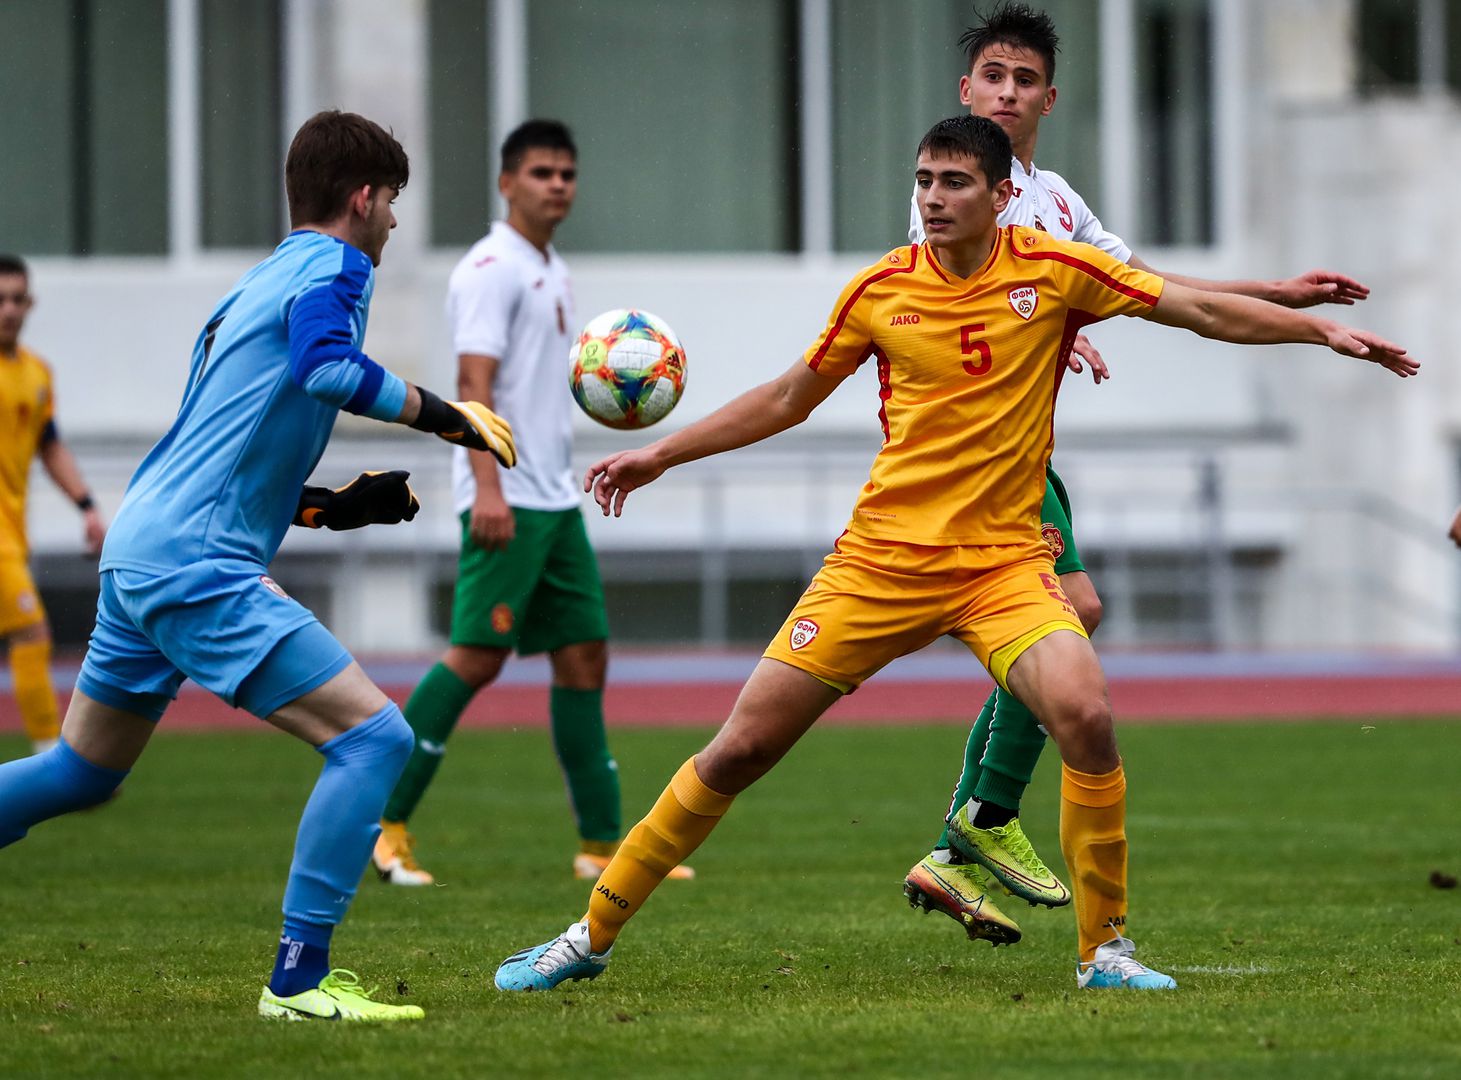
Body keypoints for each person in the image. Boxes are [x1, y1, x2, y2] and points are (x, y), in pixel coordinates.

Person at [493, 114, 1415, 993]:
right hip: (878, 565)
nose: (933, 198)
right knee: (738, 749)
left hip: (1002, 567)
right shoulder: (880, 290)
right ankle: (586, 938)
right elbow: (785, 398)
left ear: (1000, 193)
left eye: (954, 183)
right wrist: (661, 452)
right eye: (924, 181)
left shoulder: (1055, 270)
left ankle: (1105, 950)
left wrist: (1317, 330)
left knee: (1085, 714)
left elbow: (1198, 310)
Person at [0, 111, 517, 1023]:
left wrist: (331, 505)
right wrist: (449, 414)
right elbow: (328, 369)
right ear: (361, 198)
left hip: (141, 549)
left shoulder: (258, 280)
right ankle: (296, 979)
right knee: (374, 740)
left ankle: (300, 976)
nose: (394, 221)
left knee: (82, 774)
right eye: (392, 201)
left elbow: (233, 448)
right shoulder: (337, 266)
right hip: (195, 563)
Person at [902, 1, 1375, 947]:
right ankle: (982, 824)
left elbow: (1141, 281)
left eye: (1021, 80)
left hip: (1019, 449)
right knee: (1066, 615)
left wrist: (1276, 292)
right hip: (963, 450)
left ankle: (960, 845)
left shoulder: (1058, 200)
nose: (1003, 92)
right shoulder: (948, 175)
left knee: (1069, 618)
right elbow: (938, 280)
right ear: (966, 90)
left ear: (1047, 99)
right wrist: (1037, 332)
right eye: (991, 75)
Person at [371, 120, 692, 887]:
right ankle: (381, 825)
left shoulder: (549, 267)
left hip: (552, 496)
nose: (557, 185)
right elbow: (472, 386)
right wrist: (486, 487)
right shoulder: (490, 269)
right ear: (507, 183)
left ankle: (601, 844)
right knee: (476, 656)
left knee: (584, 655)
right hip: (504, 496)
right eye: (541, 172)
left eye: (567, 174)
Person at [0, 256, 108, 758]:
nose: (8, 310)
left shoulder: (36, 374)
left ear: (30, 304)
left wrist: (86, 505)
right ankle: (52, 758)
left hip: (13, 532)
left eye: (17, 299)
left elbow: (49, 445)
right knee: (31, 632)